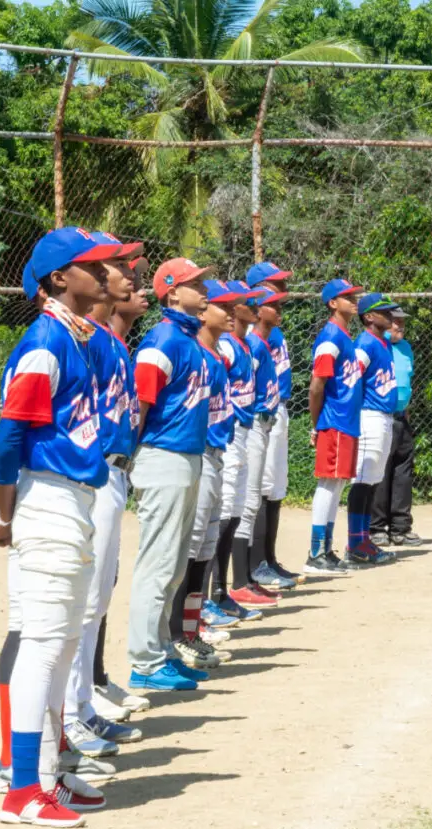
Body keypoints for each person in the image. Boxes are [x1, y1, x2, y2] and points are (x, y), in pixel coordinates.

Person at [0, 227, 119, 828]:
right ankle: (20, 790)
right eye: (91, 265)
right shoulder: (45, 340)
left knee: (64, 641)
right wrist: (3, 509)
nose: (104, 272)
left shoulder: (76, 335)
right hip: (46, 497)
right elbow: (9, 433)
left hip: (74, 497)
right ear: (60, 279)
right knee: (42, 643)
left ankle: (50, 769)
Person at [61, 237, 147, 750]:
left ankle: (84, 705)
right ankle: (72, 713)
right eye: (116, 266)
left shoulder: (110, 342)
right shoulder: (82, 337)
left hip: (114, 473)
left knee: (96, 598)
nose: (128, 275)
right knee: (83, 600)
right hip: (90, 475)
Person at [127, 257, 214, 693]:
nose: (204, 288)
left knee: (175, 564)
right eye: (194, 283)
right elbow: (139, 407)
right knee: (158, 563)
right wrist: (130, 458)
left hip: (187, 457)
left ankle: (160, 649)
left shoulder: (188, 339)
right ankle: (143, 660)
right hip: (163, 456)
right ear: (171, 292)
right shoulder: (162, 341)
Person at [170, 278, 249, 672]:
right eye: (225, 306)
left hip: (217, 453)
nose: (232, 312)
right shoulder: (197, 353)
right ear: (203, 313)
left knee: (203, 548)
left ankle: (190, 628)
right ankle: (176, 636)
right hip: (198, 453)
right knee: (190, 547)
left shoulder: (216, 354)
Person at [216, 282, 284, 609]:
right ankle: (231, 584)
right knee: (235, 506)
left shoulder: (245, 344)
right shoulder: (232, 345)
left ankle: (242, 581)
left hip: (251, 425)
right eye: (247, 301)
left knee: (247, 500)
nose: (254, 305)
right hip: (240, 427)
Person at [244, 261, 305, 585]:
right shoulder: (253, 333)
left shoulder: (275, 329)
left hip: (278, 408)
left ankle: (269, 558)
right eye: (276, 285)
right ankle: (254, 565)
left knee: (276, 487)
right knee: (261, 488)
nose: (283, 291)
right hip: (259, 415)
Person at [305, 278, 365, 576]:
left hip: (347, 422)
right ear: (332, 303)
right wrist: (317, 424)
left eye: (354, 295)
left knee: (338, 483)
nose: (354, 300)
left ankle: (326, 549)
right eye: (347, 296)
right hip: (335, 420)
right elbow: (316, 387)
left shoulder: (344, 336)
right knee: (328, 483)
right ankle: (315, 552)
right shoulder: (330, 337)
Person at [347, 292, 399, 563]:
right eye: (384, 312)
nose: (391, 316)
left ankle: (364, 539)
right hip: (369, 415)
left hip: (385, 417)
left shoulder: (383, 343)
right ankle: (355, 543)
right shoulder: (365, 343)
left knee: (372, 480)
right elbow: (352, 382)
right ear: (369, 317)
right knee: (362, 480)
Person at [370, 303, 419, 547]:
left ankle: (401, 527)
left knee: (403, 471)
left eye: (402, 321)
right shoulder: (378, 346)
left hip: (401, 417)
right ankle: (377, 527)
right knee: (381, 471)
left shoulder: (406, 348)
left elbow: (405, 384)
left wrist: (406, 413)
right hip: (380, 416)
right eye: (395, 320)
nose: (399, 325)